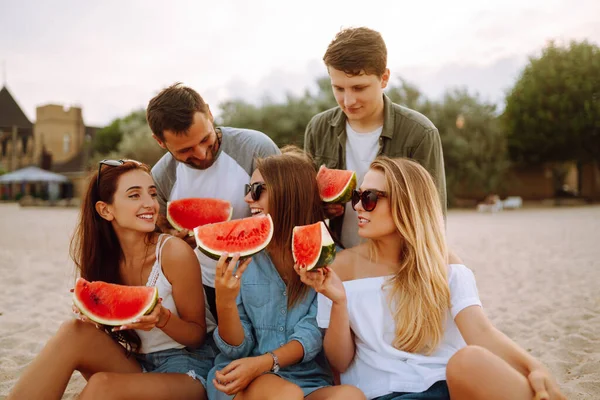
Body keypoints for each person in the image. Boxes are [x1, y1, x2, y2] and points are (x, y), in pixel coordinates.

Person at [297, 157, 565, 400]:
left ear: (407, 203)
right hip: (385, 393)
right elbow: (339, 362)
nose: (357, 207)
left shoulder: (443, 262)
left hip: (449, 385)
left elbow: (481, 332)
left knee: (469, 360)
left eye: (369, 198)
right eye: (356, 197)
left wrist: (535, 367)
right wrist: (339, 303)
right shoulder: (341, 267)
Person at [8, 159, 216, 400]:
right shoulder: (103, 261)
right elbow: (121, 331)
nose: (149, 204)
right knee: (73, 331)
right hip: (136, 363)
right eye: (134, 195)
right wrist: (97, 317)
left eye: (151, 193)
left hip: (188, 369)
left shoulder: (173, 253)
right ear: (105, 210)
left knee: (102, 385)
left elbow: (197, 336)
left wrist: (162, 318)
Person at [207, 148, 365, 400]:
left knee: (350, 396)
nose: (248, 199)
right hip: (244, 377)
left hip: (306, 377)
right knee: (285, 395)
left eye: (258, 190)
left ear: (288, 195)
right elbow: (237, 348)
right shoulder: (242, 256)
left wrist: (267, 362)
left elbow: (313, 333)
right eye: (248, 189)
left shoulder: (329, 256)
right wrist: (224, 302)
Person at [146, 83, 280, 326]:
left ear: (209, 113)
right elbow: (158, 235)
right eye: (186, 150)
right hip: (203, 287)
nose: (201, 153)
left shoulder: (256, 148)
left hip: (266, 281)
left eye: (205, 139)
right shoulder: (161, 177)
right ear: (160, 142)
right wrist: (173, 238)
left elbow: (286, 210)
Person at [304, 27, 446, 249]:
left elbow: (432, 219)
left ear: (384, 78)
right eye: (339, 88)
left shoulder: (420, 133)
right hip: (337, 264)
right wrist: (321, 208)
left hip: (396, 265)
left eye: (359, 88)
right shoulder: (318, 128)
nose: (348, 100)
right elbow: (307, 211)